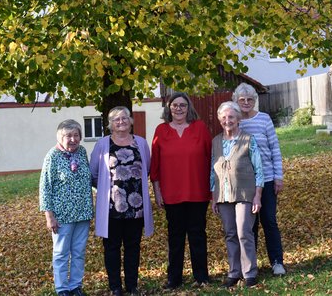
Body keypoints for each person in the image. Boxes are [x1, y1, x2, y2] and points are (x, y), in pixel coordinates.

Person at [150, 92, 212, 290]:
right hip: (172, 193)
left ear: (189, 108)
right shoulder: (161, 130)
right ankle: (174, 278)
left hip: (197, 190)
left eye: (182, 105)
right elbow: (155, 166)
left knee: (197, 235)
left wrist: (214, 188)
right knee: (175, 237)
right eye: (174, 105)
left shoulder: (200, 128)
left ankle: (201, 276)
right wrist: (157, 191)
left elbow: (211, 159)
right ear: (168, 108)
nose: (178, 108)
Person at [89, 106, 154, 296]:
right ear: (110, 124)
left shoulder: (141, 143)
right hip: (111, 207)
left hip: (136, 206)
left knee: (133, 246)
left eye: (125, 118)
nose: (121, 122)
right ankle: (115, 286)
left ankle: (132, 285)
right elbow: (93, 173)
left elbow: (146, 169)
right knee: (112, 247)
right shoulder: (103, 144)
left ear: (131, 121)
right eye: (116, 119)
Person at [233, 83, 286, 276]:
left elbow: (275, 149)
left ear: (255, 100)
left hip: (268, 179)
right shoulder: (235, 122)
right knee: (248, 226)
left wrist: (278, 177)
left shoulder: (264, 119)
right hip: (246, 182)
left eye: (250, 100)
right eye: (242, 100)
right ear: (236, 101)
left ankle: (277, 262)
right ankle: (250, 265)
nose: (246, 103)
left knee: (269, 221)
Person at [211, 101, 264, 288]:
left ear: (238, 119)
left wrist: (257, 195)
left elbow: (259, 169)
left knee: (243, 232)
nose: (227, 120)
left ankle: (250, 272)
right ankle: (234, 272)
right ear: (219, 120)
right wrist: (213, 196)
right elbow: (213, 171)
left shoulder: (248, 139)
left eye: (231, 117)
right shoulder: (216, 141)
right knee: (230, 233)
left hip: (245, 193)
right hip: (223, 195)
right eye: (224, 117)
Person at [39, 119, 93, 296]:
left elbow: (88, 179)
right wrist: (49, 216)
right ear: (60, 137)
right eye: (68, 135)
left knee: (78, 252)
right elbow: (45, 187)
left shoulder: (82, 152)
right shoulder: (52, 156)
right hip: (62, 215)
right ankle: (62, 289)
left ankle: (75, 286)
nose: (72, 139)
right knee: (61, 253)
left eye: (76, 135)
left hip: (83, 212)